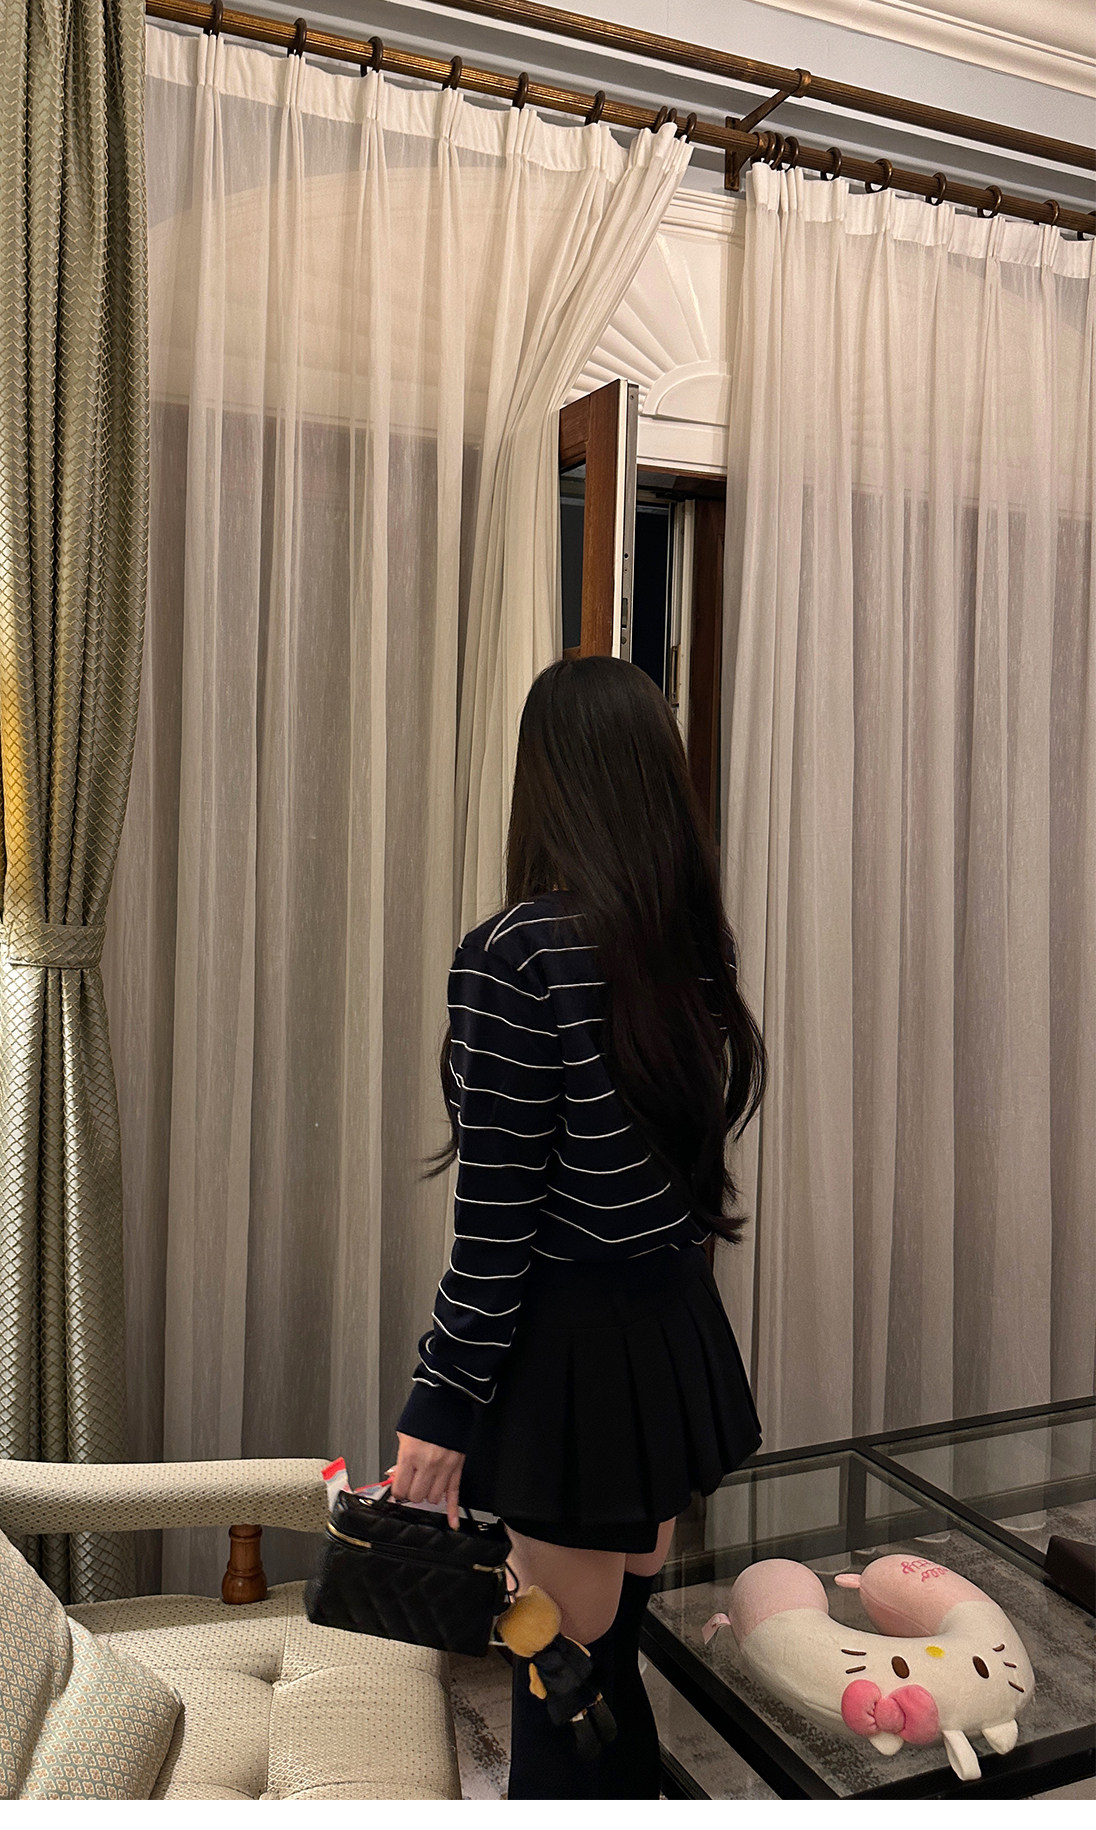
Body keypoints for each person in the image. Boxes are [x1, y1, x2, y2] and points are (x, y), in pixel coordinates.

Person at [390, 655, 767, 1800]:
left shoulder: (516, 955)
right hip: (665, 1340)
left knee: (560, 1681)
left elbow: (497, 1224)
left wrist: (441, 1404)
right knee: (603, 1663)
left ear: (544, 781)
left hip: (572, 1368)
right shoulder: (685, 948)